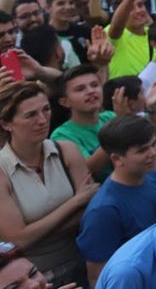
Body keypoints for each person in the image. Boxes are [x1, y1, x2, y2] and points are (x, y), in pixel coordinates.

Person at [0, 79, 98, 285]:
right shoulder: (3, 170)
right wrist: (75, 202)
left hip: (82, 261)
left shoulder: (66, 150)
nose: (43, 120)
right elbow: (18, 240)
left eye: (46, 109)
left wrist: (36, 232)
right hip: (36, 277)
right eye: (31, 115)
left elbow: (89, 211)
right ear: (6, 124)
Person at [77, 115, 156, 285]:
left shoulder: (154, 177)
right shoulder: (104, 211)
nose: (153, 153)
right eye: (142, 150)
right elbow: (98, 276)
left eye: (154, 145)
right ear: (117, 159)